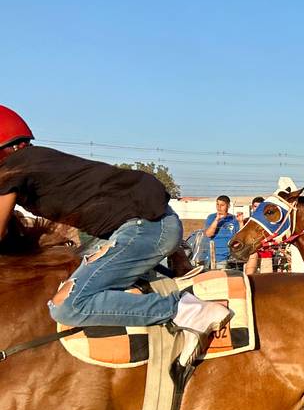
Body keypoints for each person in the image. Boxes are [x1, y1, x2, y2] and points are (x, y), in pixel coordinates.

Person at [0, 104, 230, 364]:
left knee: (68, 305)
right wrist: (177, 256)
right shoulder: (38, 161)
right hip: (148, 224)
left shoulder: (13, 170)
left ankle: (183, 309)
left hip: (144, 229)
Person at [203, 195, 240, 269]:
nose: (219, 207)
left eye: (222, 205)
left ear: (228, 206)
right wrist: (217, 220)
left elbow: (239, 239)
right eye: (217, 204)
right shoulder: (211, 217)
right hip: (213, 257)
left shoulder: (234, 219)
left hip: (228, 258)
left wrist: (241, 222)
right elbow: (208, 234)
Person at [243, 196, 274, 274]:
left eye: (259, 207)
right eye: (255, 206)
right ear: (252, 207)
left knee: (266, 281)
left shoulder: (269, 222)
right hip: (250, 255)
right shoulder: (246, 221)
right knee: (249, 279)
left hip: (266, 255)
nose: (257, 209)